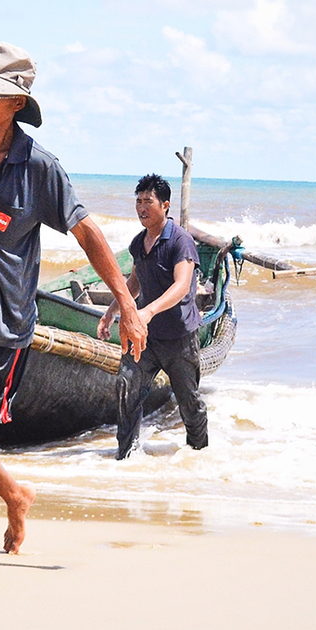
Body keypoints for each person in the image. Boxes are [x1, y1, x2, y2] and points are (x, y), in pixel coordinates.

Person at [0, 43, 148, 572]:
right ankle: (14, 495)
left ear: (18, 103)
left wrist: (127, 302)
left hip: (3, 324)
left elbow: (87, 231)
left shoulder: (39, 168)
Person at [98, 173, 210, 459]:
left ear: (166, 205)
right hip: (144, 338)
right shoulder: (139, 243)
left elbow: (182, 285)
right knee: (126, 390)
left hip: (179, 338)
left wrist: (147, 310)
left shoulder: (180, 241)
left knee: (189, 402)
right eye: (138, 201)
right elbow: (134, 283)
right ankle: (125, 456)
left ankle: (199, 457)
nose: (141, 208)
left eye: (148, 201)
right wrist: (113, 310)